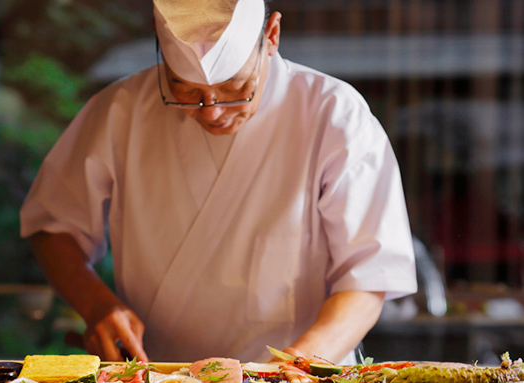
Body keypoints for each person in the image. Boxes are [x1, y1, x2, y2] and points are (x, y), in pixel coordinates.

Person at [20, 0, 417, 364]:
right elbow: (53, 226)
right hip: (157, 381)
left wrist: (299, 364)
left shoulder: (333, 113)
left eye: (234, 91)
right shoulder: (122, 110)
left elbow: (369, 276)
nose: (210, 113)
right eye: (186, 90)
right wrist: (98, 306)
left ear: (272, 36)